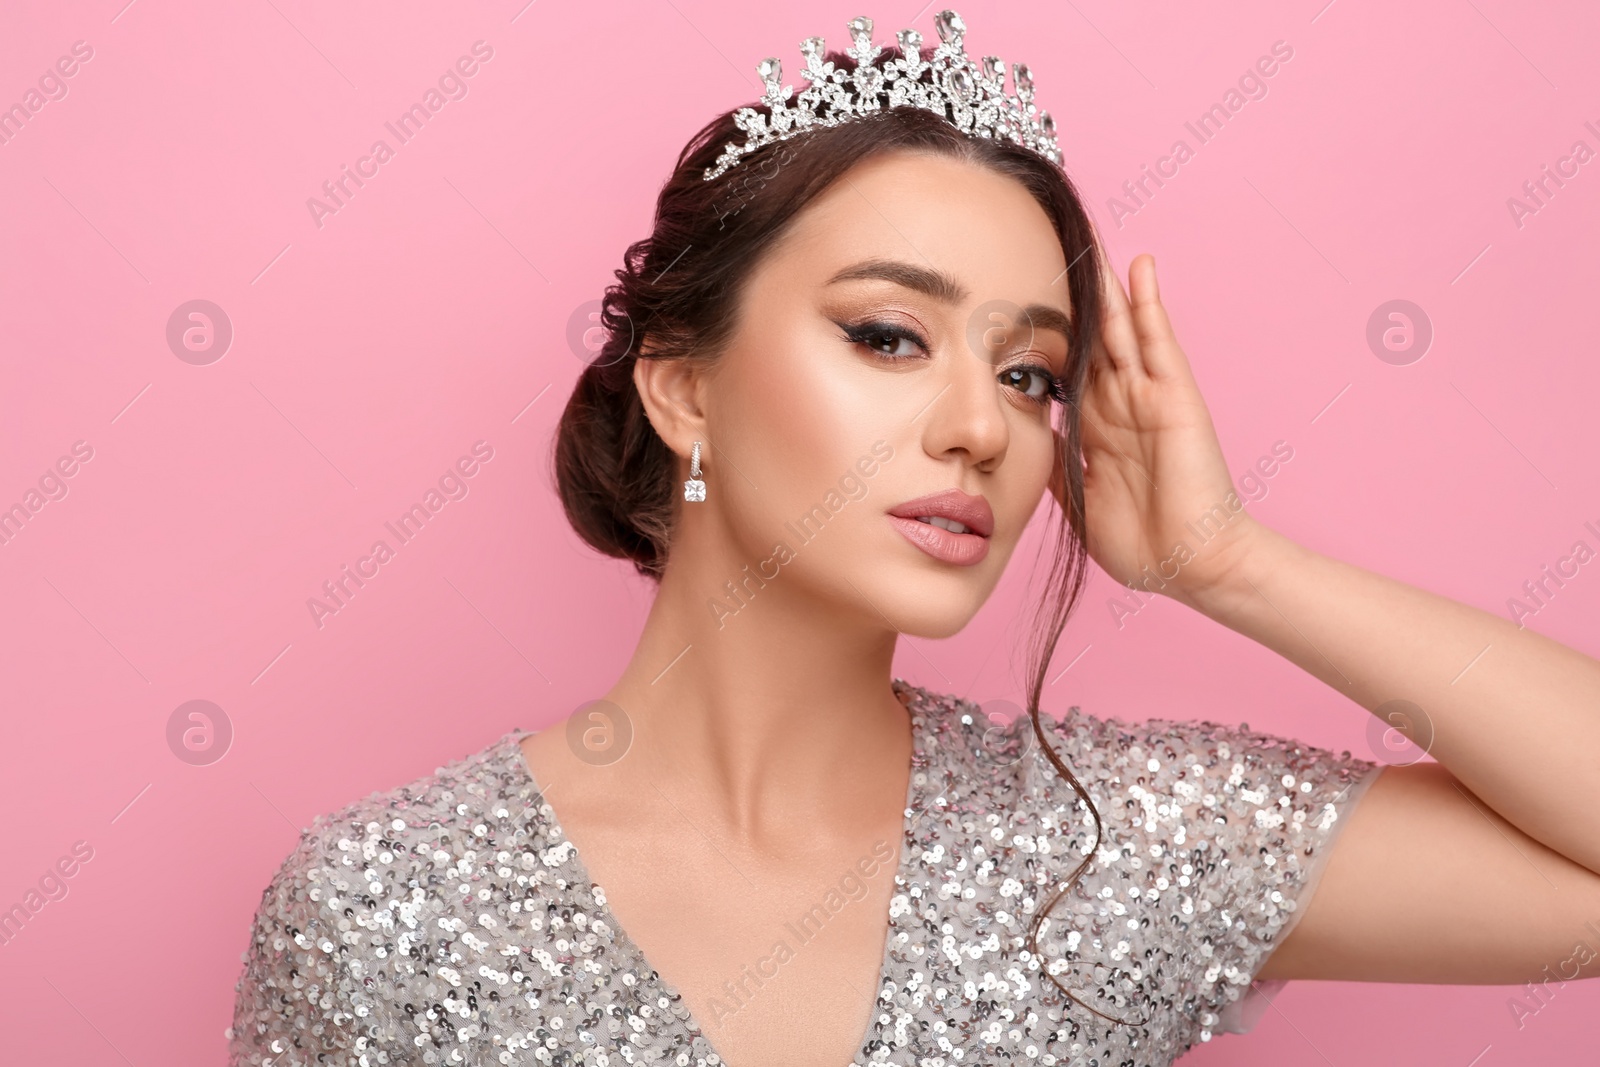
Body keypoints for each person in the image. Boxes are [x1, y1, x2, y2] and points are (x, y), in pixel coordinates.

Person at [228, 11, 1600, 1067]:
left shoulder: (1113, 844)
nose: (982, 430)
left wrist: (1228, 563)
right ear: (684, 384)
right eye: (888, 335)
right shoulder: (379, 906)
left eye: (1030, 373)